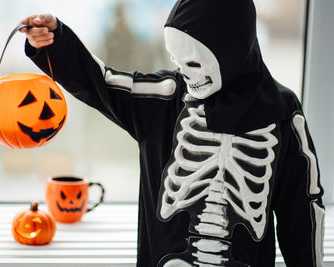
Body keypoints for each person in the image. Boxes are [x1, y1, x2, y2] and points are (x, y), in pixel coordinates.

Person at [20, 0, 325, 266]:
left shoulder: (283, 111)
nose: (186, 73)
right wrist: (55, 43)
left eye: (193, 61)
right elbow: (104, 84)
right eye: (177, 61)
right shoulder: (165, 98)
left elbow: (303, 209)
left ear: (232, 48)